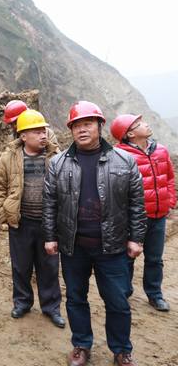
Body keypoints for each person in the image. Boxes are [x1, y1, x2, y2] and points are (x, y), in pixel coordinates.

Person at [42, 101, 146, 366]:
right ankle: (81, 345)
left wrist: (136, 238)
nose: (82, 129)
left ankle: (121, 350)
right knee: (76, 298)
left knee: (117, 301)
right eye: (76, 125)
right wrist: (50, 237)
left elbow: (136, 203)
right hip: (74, 246)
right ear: (71, 130)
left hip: (112, 247)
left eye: (87, 123)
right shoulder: (58, 163)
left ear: (100, 126)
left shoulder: (124, 161)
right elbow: (50, 203)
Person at [0, 109, 64, 328]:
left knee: (49, 266)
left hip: (48, 223)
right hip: (21, 222)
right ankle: (22, 302)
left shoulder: (56, 157)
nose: (43, 135)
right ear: (23, 136)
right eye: (36, 131)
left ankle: (51, 307)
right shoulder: (9, 157)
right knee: (21, 266)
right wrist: (4, 212)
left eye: (43, 131)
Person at [111, 114, 176, 311]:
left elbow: (169, 178)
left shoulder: (161, 150)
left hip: (158, 216)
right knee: (127, 257)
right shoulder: (119, 155)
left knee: (155, 259)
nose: (146, 125)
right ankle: (124, 293)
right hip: (133, 219)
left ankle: (155, 295)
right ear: (130, 134)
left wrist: (170, 201)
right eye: (139, 124)